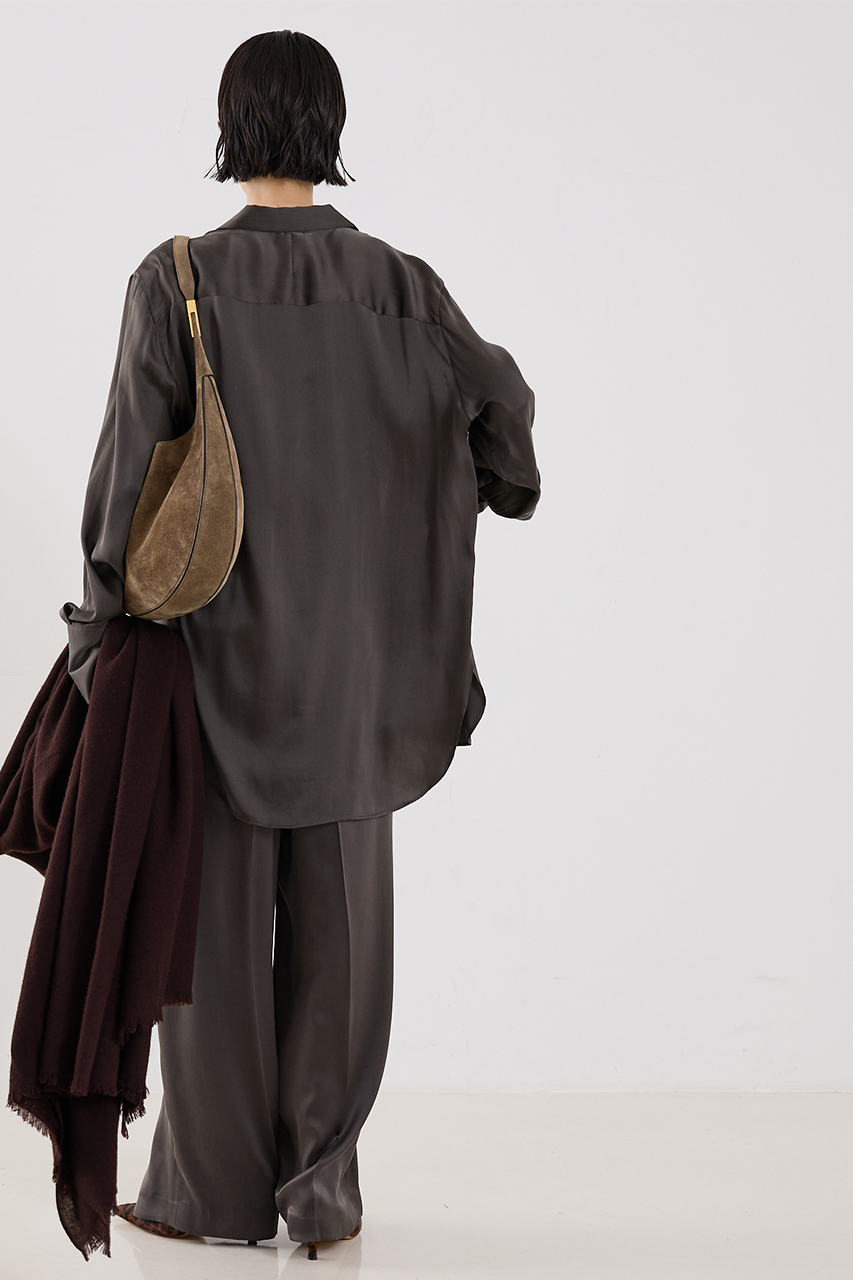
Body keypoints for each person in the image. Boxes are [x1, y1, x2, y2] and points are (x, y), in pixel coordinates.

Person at [60, 28, 541, 1259]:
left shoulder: (175, 280)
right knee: (343, 941)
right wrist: (463, 484)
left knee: (212, 946)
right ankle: (322, 1195)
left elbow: (123, 490)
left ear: (231, 127)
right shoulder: (403, 288)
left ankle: (210, 1196)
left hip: (212, 675)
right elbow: (506, 420)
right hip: (363, 679)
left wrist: (95, 637)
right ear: (331, 128)